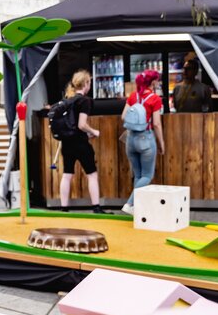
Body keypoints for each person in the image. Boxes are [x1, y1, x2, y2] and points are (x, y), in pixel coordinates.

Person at [58, 70, 109, 213]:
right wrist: (94, 131)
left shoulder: (67, 100)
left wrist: (87, 132)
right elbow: (81, 124)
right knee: (91, 174)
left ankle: (64, 208)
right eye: (89, 82)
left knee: (67, 175)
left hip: (67, 143)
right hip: (80, 143)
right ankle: (96, 207)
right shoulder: (85, 101)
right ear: (86, 83)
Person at [121, 69, 165, 215]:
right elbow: (156, 124)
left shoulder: (133, 96)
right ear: (153, 82)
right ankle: (129, 204)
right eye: (157, 80)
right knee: (147, 176)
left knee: (139, 176)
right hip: (146, 139)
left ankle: (136, 207)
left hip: (130, 139)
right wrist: (161, 144)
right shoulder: (155, 99)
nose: (158, 82)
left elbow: (123, 116)